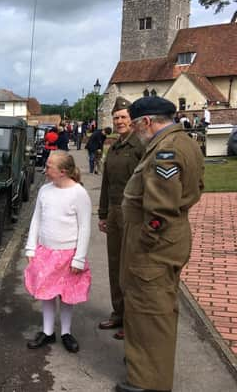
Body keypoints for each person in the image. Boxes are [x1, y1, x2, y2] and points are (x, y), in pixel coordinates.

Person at [116, 96, 204, 392]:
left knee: (149, 310)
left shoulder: (164, 150)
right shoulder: (184, 142)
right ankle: (146, 368)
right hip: (171, 238)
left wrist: (146, 241)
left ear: (146, 121)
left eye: (137, 124)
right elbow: (196, 187)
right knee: (157, 306)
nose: (136, 130)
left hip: (155, 244)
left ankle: (147, 381)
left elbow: (161, 209)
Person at [24, 150, 92, 353]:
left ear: (63, 171)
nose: (45, 170)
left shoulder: (79, 193)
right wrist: (31, 246)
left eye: (49, 167)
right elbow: (36, 219)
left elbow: (85, 227)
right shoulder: (45, 190)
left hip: (68, 254)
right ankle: (47, 332)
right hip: (46, 252)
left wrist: (79, 258)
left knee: (66, 295)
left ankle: (66, 332)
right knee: (47, 293)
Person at [97, 105, 144, 341]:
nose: (119, 121)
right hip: (115, 211)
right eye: (116, 117)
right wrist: (102, 213)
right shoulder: (114, 147)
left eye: (123, 117)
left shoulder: (140, 146)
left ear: (132, 120)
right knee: (115, 263)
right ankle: (118, 312)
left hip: (133, 212)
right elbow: (106, 182)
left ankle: (132, 320)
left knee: (131, 266)